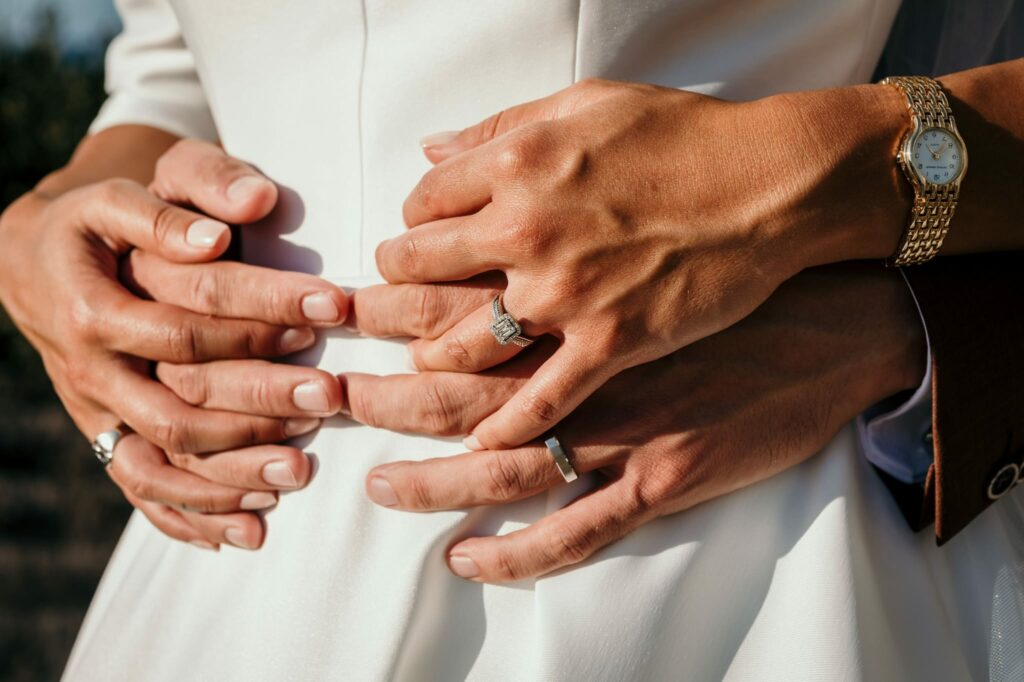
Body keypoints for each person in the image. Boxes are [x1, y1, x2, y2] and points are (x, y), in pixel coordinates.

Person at [0, 0, 1022, 679]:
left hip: (730, 544)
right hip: (240, 569)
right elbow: (171, 64)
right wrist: (51, 218)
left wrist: (815, 183)